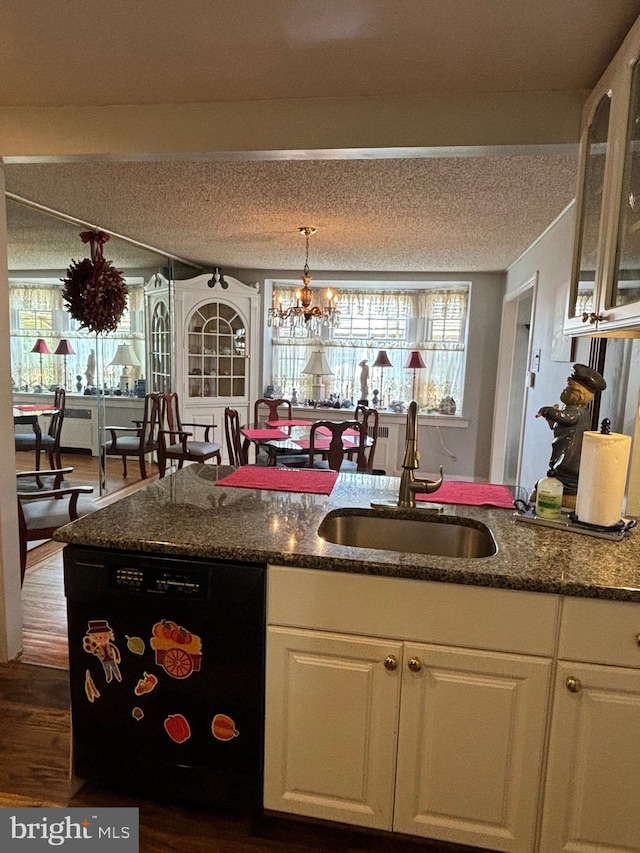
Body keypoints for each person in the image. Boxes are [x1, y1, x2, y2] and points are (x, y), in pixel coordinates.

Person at [534, 363, 606, 505]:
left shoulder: (576, 412)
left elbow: (566, 418)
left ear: (576, 394)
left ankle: (566, 489)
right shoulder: (573, 410)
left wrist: (549, 411)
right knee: (559, 469)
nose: (564, 390)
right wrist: (551, 420)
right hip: (564, 449)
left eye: (567, 388)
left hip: (571, 455)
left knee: (566, 470)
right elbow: (560, 424)